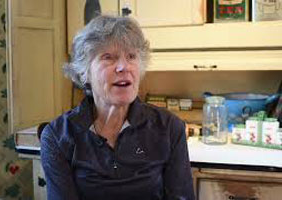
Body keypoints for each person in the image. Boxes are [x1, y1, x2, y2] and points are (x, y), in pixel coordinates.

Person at [40, 15, 195, 200]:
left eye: (131, 56)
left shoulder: (169, 128)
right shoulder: (57, 137)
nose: (123, 67)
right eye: (108, 57)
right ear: (84, 72)